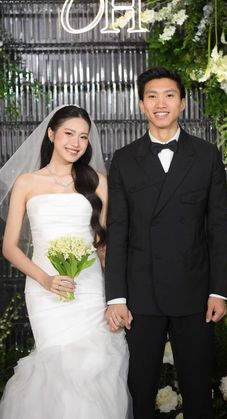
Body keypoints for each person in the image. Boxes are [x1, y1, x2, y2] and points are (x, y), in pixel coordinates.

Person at [105, 67, 227, 419]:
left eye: (169, 95)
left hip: (195, 293)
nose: (160, 103)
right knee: (140, 392)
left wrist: (219, 290)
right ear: (142, 105)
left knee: (198, 392)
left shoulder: (206, 156)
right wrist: (116, 296)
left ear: (183, 103)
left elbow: (220, 227)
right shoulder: (124, 159)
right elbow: (118, 230)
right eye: (152, 96)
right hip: (140, 294)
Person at [0, 105, 132, 419]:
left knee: (96, 365)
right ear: (51, 134)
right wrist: (45, 280)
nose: (75, 142)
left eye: (83, 137)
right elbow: (9, 247)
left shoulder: (97, 182)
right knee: (56, 368)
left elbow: (104, 247)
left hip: (89, 290)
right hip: (45, 292)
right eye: (69, 134)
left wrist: (115, 297)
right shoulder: (27, 183)